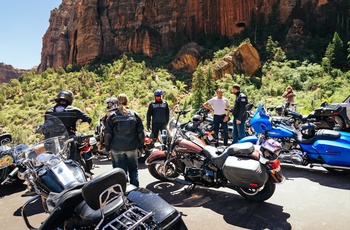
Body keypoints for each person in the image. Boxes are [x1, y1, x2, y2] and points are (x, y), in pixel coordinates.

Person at [104, 93, 144, 187]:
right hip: (132, 147)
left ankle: (123, 192)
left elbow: (107, 133)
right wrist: (140, 146)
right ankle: (135, 192)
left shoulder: (112, 116)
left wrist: (107, 146)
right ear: (127, 102)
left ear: (117, 102)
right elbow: (141, 133)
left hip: (117, 148)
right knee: (133, 170)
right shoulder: (134, 115)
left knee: (120, 173)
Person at [45, 90, 92, 168]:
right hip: (69, 138)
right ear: (70, 99)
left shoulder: (49, 111)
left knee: (53, 162)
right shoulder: (73, 110)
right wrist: (80, 128)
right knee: (71, 159)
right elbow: (88, 119)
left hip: (53, 140)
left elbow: (45, 127)